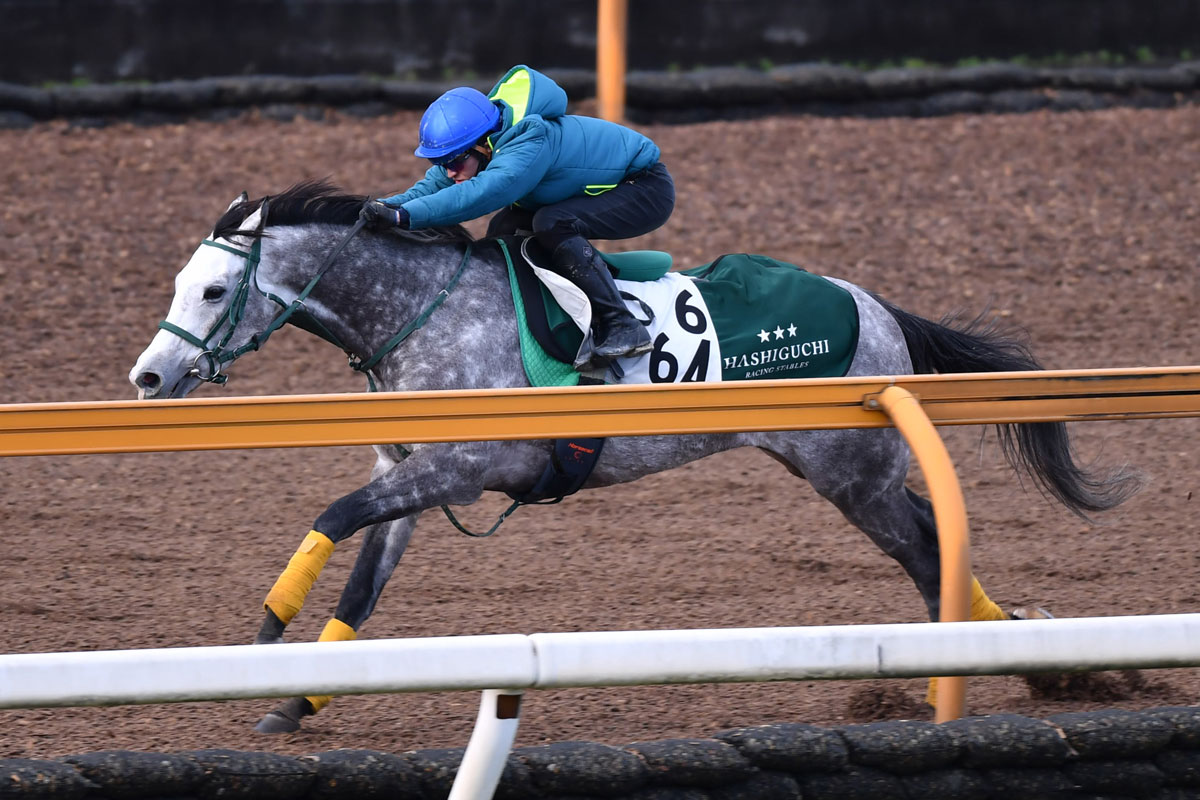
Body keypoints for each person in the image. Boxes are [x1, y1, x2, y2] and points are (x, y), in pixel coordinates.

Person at [359, 64, 675, 370]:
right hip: (590, 190)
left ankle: (620, 323)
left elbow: (481, 194)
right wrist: (385, 207)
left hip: (645, 189)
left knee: (551, 223)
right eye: (440, 162)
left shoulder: (530, 139)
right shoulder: (485, 142)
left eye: (453, 161)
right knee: (502, 229)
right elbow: (431, 186)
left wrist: (404, 217)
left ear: (483, 146)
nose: (449, 171)